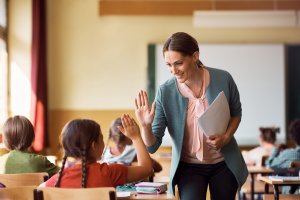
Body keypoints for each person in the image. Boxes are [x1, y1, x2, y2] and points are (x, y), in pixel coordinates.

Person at [134, 32, 248, 200]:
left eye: (178, 63)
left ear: (195, 56)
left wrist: (225, 137)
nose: (174, 70)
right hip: (189, 167)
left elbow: (236, 114)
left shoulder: (223, 78)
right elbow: (152, 146)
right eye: (168, 65)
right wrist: (145, 126)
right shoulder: (165, 91)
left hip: (224, 164)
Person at [41, 114, 153, 188]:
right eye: (101, 138)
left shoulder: (55, 182)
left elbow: (39, 189)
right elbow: (147, 169)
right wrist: (136, 137)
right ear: (94, 146)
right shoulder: (110, 172)